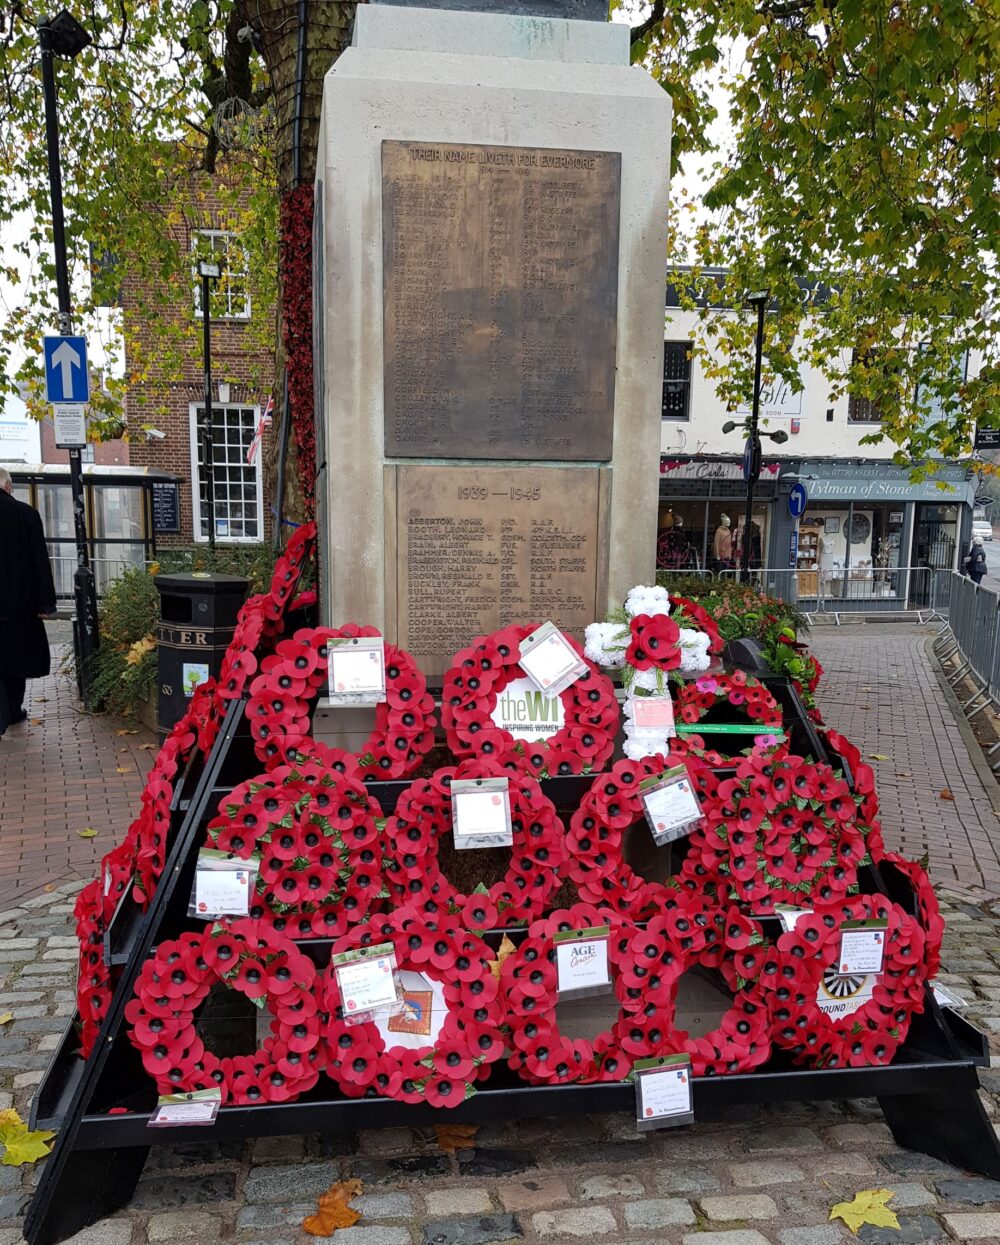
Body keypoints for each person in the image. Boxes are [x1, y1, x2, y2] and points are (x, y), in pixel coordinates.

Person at [0, 467, 57, 736]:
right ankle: (12, 709)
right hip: (18, 604)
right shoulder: (25, 514)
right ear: (8, 486)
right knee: (15, 657)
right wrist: (45, 603)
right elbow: (39, 562)